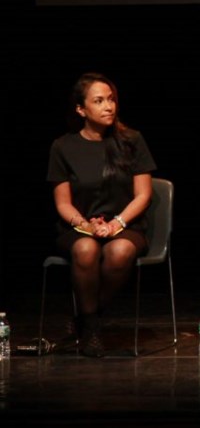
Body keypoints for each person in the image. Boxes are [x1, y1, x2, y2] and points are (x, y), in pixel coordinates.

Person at [47, 73, 157, 357]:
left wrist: (117, 223)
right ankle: (92, 324)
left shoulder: (132, 140)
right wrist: (86, 225)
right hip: (79, 226)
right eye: (99, 101)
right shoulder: (63, 147)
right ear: (81, 109)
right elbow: (63, 203)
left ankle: (87, 320)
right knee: (86, 249)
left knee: (119, 251)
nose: (108, 106)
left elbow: (143, 195)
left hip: (127, 224)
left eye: (111, 99)